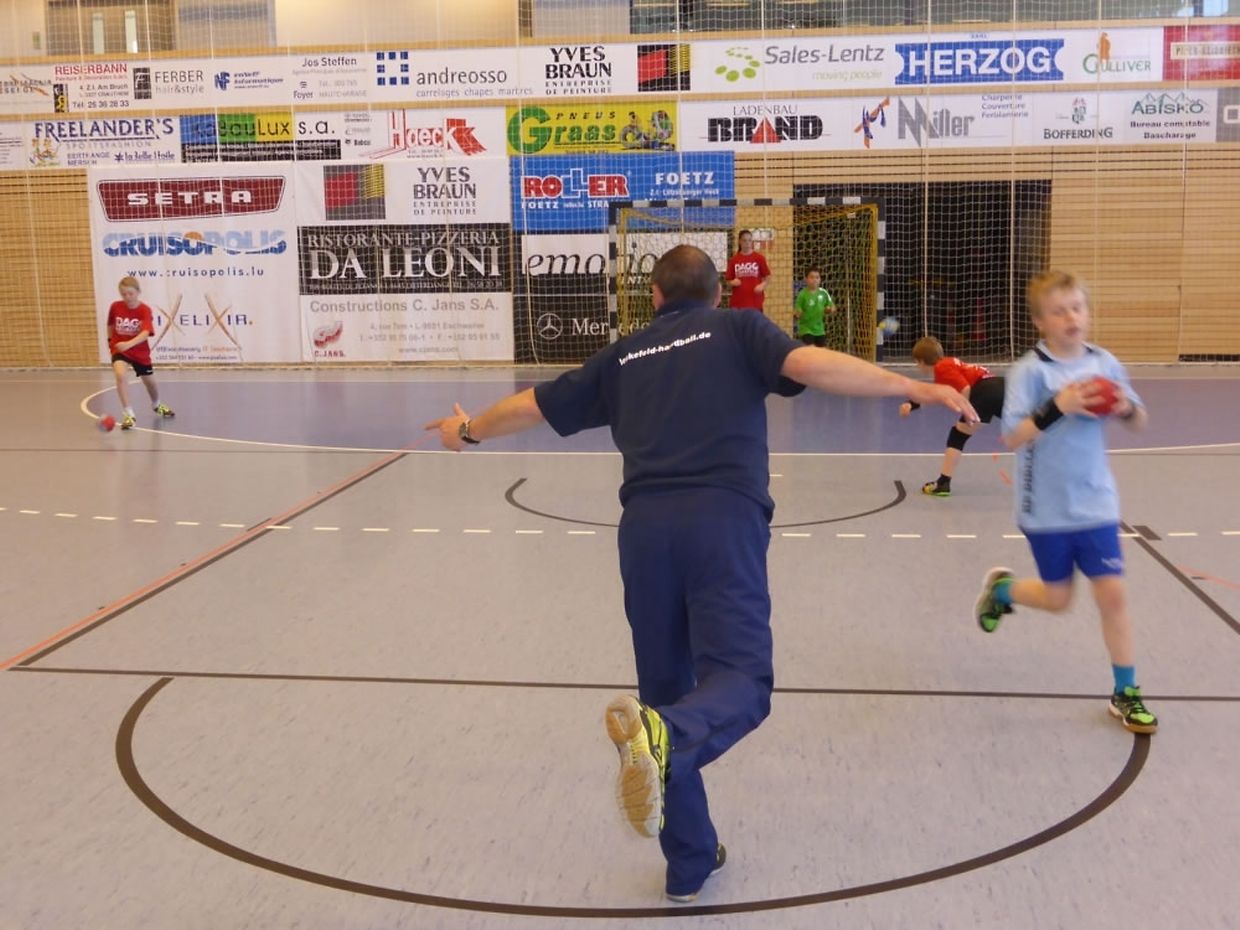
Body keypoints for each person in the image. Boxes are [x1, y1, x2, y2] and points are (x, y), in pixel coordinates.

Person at [425, 245, 976, 902]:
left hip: (644, 534)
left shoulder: (623, 355)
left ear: (655, 296)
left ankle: (689, 862)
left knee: (665, 694)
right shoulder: (739, 328)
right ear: (718, 293)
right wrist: (915, 385)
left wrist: (467, 431)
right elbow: (810, 364)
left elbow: (535, 406)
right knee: (740, 682)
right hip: (721, 522)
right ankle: (672, 740)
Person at [974, 270, 1157, 735]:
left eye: (1077, 307)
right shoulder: (1030, 372)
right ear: (1040, 321)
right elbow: (1013, 436)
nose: (1071, 317)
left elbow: (1139, 419)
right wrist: (1059, 406)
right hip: (1046, 507)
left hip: (1096, 503)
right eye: (1059, 311)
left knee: (1112, 595)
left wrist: (1124, 407)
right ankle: (1002, 591)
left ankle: (1125, 691)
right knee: (1058, 599)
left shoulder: (1105, 363)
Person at [898, 336, 1005, 497]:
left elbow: (965, 388)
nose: (917, 366)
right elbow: (936, 395)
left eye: (917, 362)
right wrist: (911, 405)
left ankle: (943, 483)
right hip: (1000, 386)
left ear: (921, 361)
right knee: (1028, 428)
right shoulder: (947, 365)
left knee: (957, 436)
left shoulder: (942, 368)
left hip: (985, 392)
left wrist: (966, 410)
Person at [106, 276, 175, 429]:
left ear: (138, 292)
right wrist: (110, 342)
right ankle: (129, 414)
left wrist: (128, 344)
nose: (127, 297)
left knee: (150, 383)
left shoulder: (144, 310)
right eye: (124, 294)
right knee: (120, 375)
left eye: (130, 293)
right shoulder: (115, 307)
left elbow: (145, 333)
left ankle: (156, 404)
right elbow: (110, 325)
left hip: (139, 352)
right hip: (120, 350)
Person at [725, 230, 770, 313]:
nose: (747, 243)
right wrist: (732, 282)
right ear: (740, 242)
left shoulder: (759, 258)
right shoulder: (734, 260)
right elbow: (728, 281)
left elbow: (767, 277)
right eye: (744, 240)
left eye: (749, 240)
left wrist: (762, 285)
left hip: (755, 303)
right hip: (738, 305)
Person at [792, 268, 835, 348]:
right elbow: (798, 311)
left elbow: (832, 307)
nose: (815, 280)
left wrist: (829, 309)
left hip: (820, 330)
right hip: (806, 329)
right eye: (812, 277)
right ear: (806, 279)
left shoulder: (824, 292)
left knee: (821, 352)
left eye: (817, 277)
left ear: (820, 279)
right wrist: (797, 314)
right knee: (810, 351)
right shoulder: (802, 295)